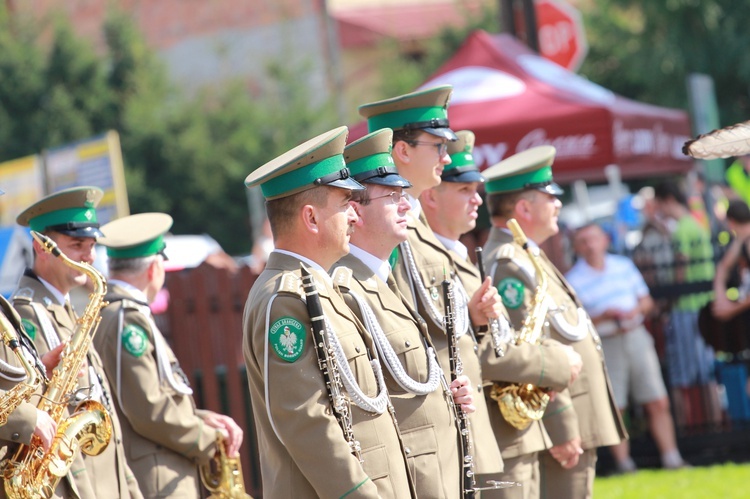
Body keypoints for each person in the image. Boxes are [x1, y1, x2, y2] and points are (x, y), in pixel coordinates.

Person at [242, 126, 414, 498]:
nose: (355, 215)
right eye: (343, 204)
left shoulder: (317, 286)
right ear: (311, 218)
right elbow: (305, 421)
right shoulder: (284, 298)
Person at [422, 132, 581, 498]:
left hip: (509, 431)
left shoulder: (462, 258)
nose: (479, 199)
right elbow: (483, 351)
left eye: (477, 189)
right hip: (492, 433)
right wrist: (555, 364)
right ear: (431, 196)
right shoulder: (446, 261)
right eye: (465, 190)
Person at [358, 87, 504, 481]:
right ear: (402, 151)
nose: (446, 157)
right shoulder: (385, 226)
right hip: (422, 423)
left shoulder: (413, 221)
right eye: (437, 146)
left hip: (449, 409)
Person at [331, 128, 472, 498]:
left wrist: (446, 394)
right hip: (406, 475)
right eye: (392, 196)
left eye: (403, 194)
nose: (407, 205)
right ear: (355, 211)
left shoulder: (382, 278)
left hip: (432, 466)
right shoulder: (345, 289)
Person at [482, 146, 626, 499]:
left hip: (570, 416)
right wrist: (561, 425)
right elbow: (526, 351)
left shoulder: (525, 253)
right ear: (524, 208)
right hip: (557, 421)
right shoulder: (509, 263)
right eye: (550, 196)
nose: (558, 204)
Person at [93, 212, 244, 497]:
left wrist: (201, 418)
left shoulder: (120, 313)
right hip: (156, 479)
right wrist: (208, 438)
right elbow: (148, 409)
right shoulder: (127, 319)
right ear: (154, 269)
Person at [12, 186, 142, 498]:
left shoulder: (70, 309)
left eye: (93, 244)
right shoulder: (27, 315)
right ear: (42, 246)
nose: (90, 256)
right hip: (75, 486)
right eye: (77, 244)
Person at [567, 223, 687, 473]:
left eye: (594, 239)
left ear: (605, 241)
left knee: (656, 399)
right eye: (584, 241)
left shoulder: (623, 266)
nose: (590, 246)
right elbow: (574, 322)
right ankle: (624, 463)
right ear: (577, 247)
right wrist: (603, 316)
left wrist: (634, 311)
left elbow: (646, 301)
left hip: (635, 336)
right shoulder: (573, 279)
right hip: (604, 343)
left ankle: (672, 458)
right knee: (615, 405)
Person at [652, 180, 721, 427]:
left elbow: (680, 270)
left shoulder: (683, 228)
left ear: (667, 200)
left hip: (686, 309)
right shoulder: (694, 224)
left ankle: (688, 428)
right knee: (705, 372)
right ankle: (713, 425)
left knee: (683, 374)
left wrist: (667, 303)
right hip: (702, 307)